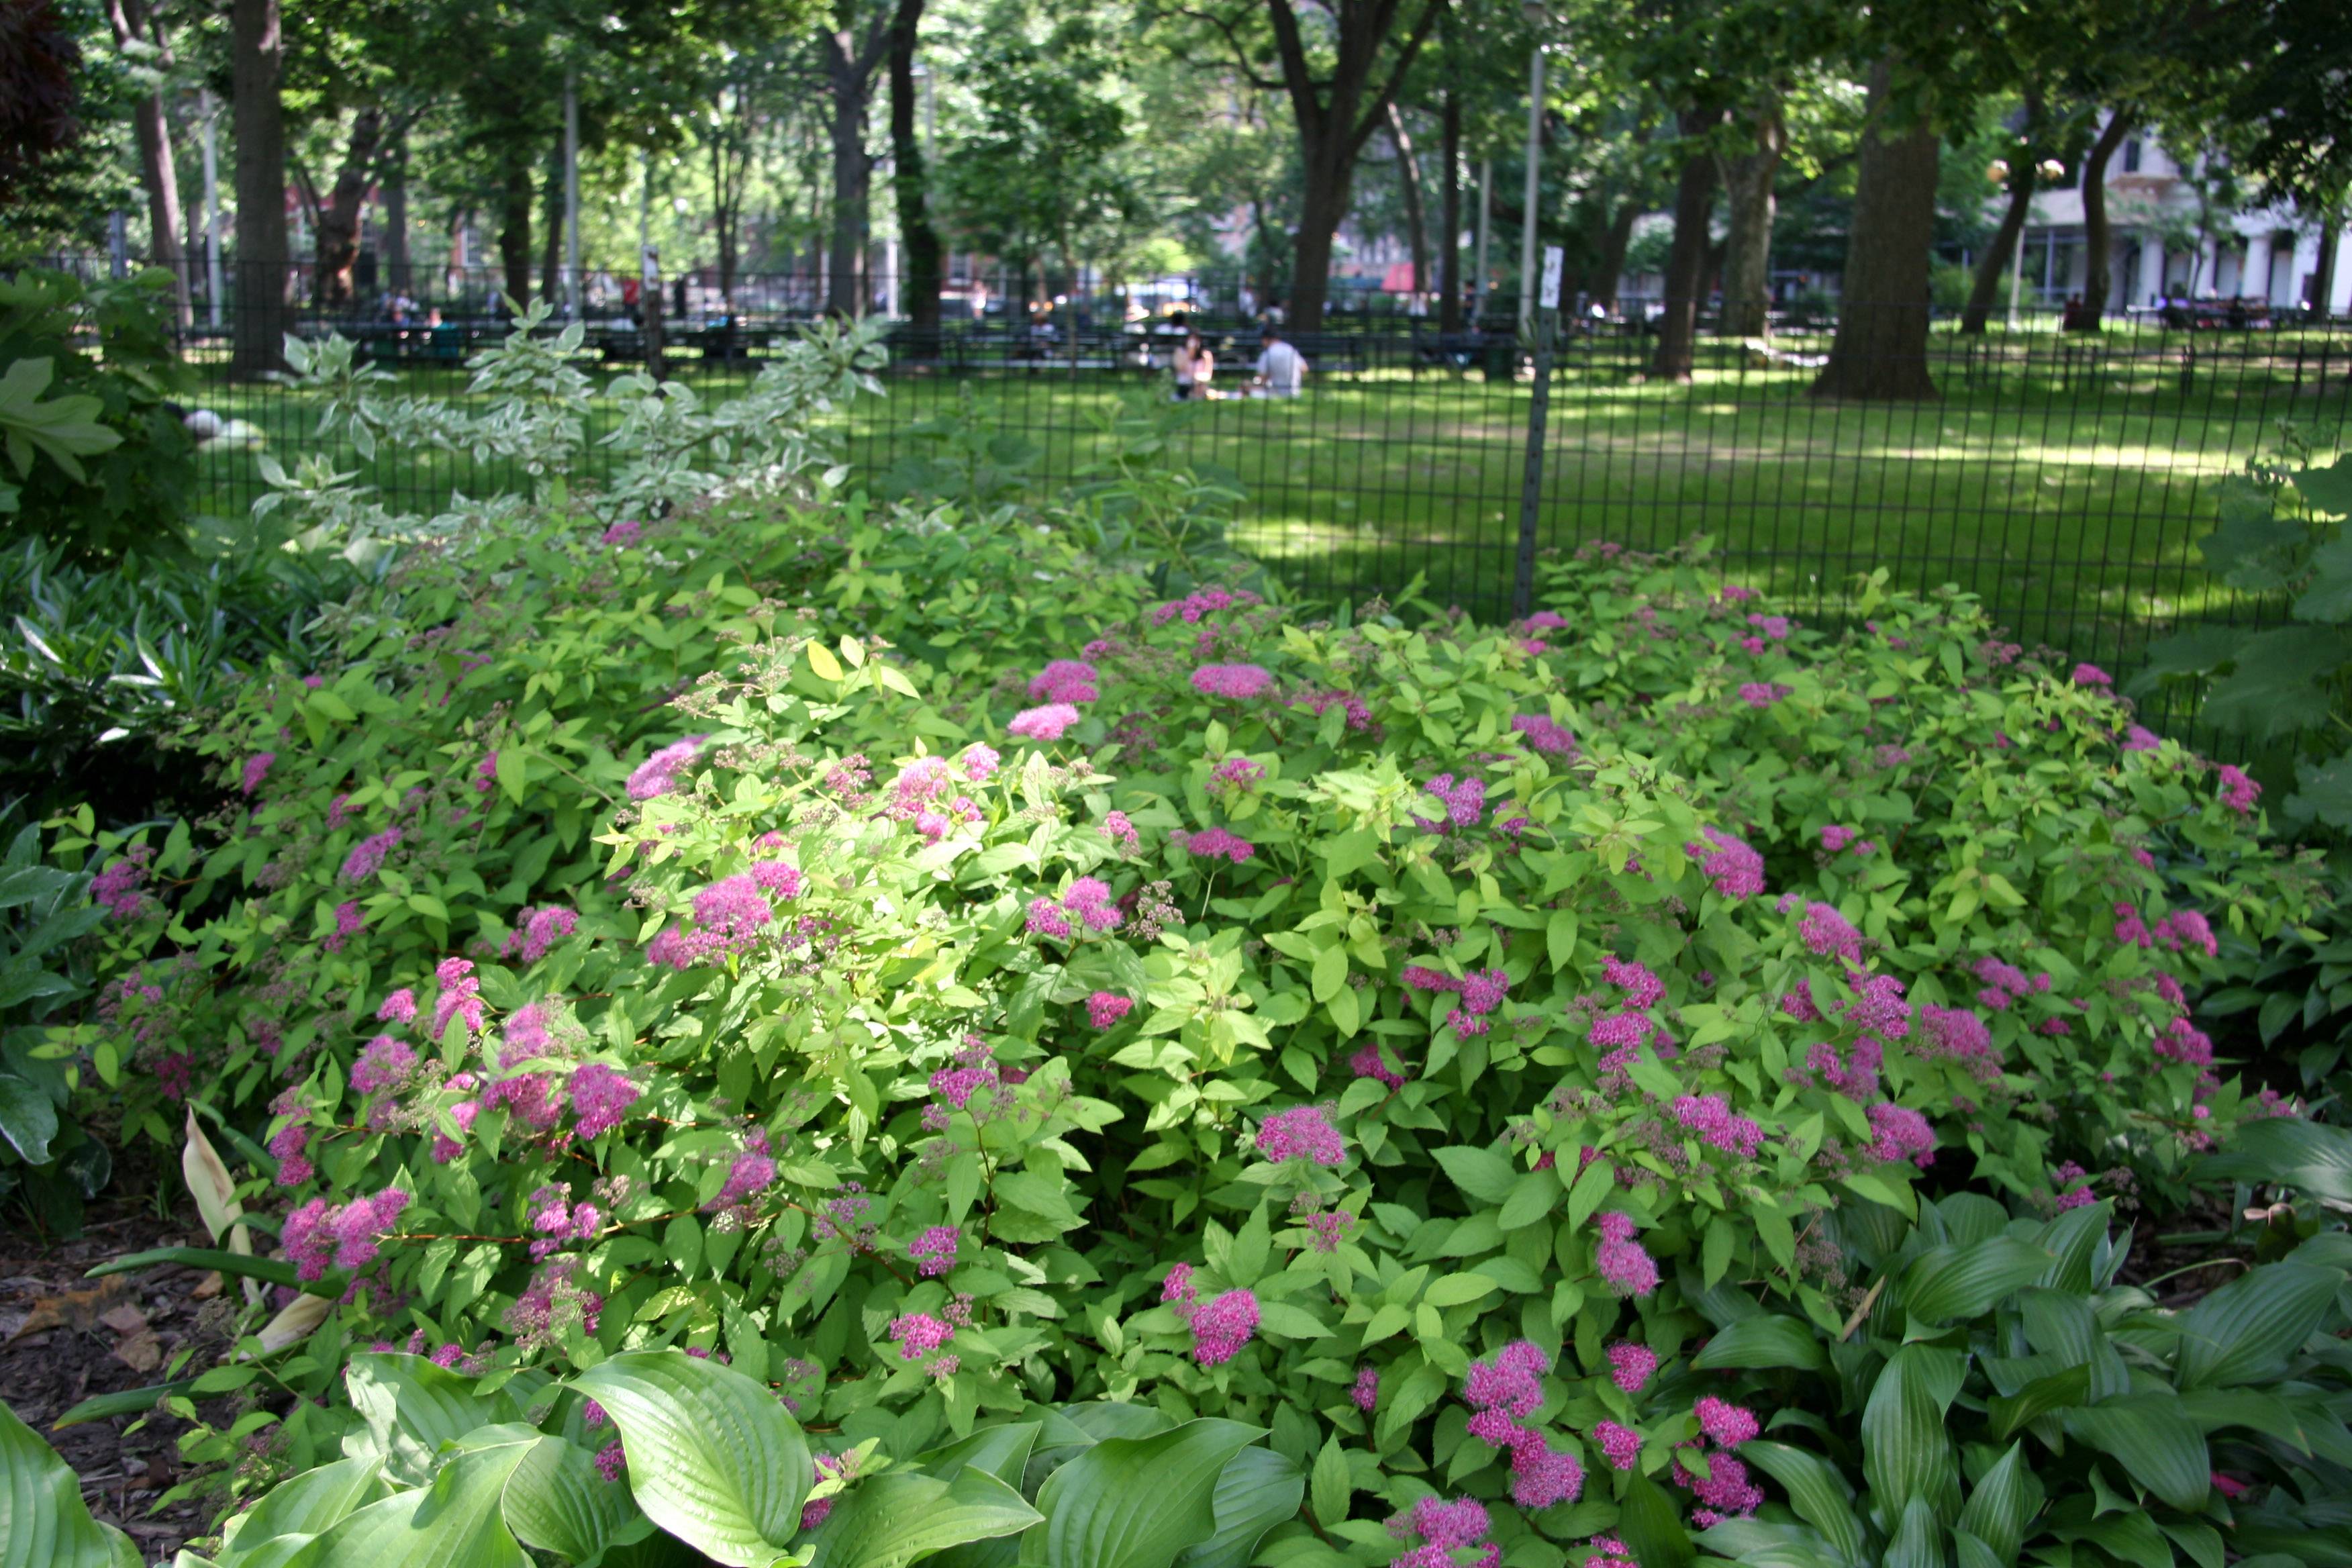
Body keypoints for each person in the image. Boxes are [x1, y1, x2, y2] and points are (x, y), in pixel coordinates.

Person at [1251, 324, 1304, 398]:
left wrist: (1253, 384)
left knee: (1249, 390)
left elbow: (1262, 378)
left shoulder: (1267, 353)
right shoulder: (1290, 349)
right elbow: (1304, 369)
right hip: (1294, 393)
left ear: (1265, 339)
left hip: (1275, 394)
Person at [1173, 331, 1214, 399]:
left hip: (1200, 385)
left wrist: (1196, 378)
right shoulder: (1180, 352)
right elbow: (1181, 368)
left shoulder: (1206, 355)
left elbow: (1208, 375)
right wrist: (1190, 353)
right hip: (1184, 385)